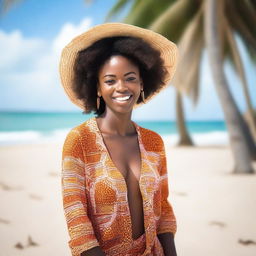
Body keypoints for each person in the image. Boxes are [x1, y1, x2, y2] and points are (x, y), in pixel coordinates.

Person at [60, 23, 178, 256]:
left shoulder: (154, 143)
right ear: (97, 88)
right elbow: (77, 220)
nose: (121, 87)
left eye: (130, 78)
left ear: (142, 83)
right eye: (110, 80)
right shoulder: (79, 141)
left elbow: (163, 210)